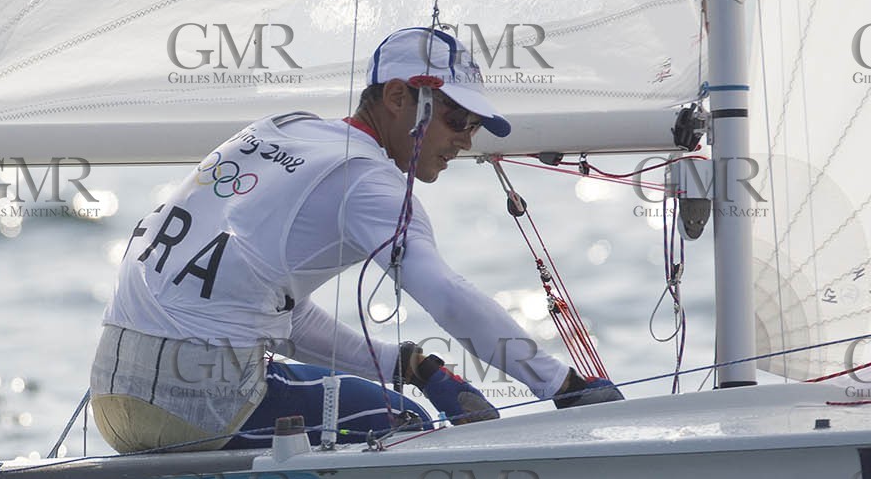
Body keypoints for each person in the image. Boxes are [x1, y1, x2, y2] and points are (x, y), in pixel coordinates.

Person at [90, 26, 623, 454]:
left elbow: (272, 307)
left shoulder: (279, 129)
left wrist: (413, 365)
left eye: (475, 127)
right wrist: (563, 386)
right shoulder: (368, 180)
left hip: (112, 396)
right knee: (402, 424)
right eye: (457, 119)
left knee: (334, 389)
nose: (465, 140)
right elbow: (446, 294)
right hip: (196, 404)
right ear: (397, 97)